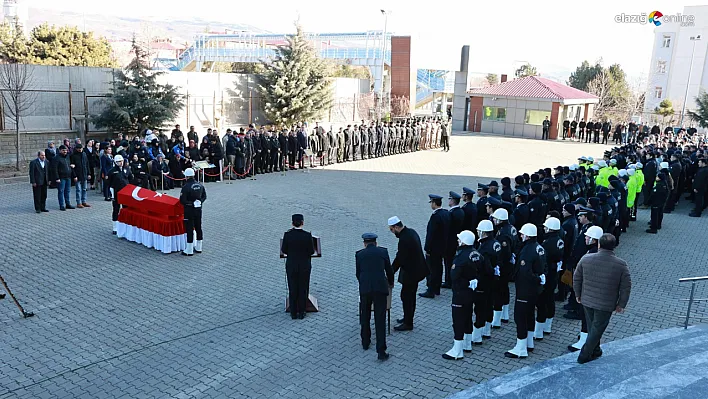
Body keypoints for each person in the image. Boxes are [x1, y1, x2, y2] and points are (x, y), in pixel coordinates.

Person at [573, 233, 631, 364]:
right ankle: (584, 354)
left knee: (593, 327)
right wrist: (621, 304)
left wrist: (577, 294)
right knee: (597, 329)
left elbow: (577, 278)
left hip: (587, 300)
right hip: (606, 304)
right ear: (614, 246)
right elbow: (626, 286)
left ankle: (596, 350)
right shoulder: (621, 264)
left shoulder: (586, 259)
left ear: (599, 244)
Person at [505, 223, 545, 359]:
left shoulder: (527, 250)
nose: (521, 235)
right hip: (534, 290)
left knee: (520, 317)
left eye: (523, 234)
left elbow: (525, 271)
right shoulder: (539, 247)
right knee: (529, 315)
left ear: (527, 235)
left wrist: (536, 279)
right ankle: (529, 342)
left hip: (525, 288)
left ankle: (521, 347)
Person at [442, 230, 484, 360]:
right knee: (467, 316)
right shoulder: (477, 253)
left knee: (458, 320)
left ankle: (457, 349)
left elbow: (454, 275)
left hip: (460, 292)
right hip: (471, 292)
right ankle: (467, 343)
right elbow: (484, 270)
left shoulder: (461, 256)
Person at [356, 233, 394, 361]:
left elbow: (358, 273)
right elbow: (389, 270)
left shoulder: (359, 254)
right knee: (380, 318)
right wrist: (390, 282)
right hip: (380, 288)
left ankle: (365, 342)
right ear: (376, 243)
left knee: (365, 315)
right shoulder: (383, 252)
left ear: (364, 243)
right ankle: (381, 350)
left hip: (365, 289)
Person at [388, 216, 427, 331]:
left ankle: (408, 323)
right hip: (416, 271)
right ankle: (407, 317)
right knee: (410, 296)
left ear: (396, 227)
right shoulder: (411, 232)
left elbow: (400, 258)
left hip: (411, 273)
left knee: (407, 297)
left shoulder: (404, 239)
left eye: (391, 230)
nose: (392, 232)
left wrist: (390, 271)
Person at [281, 214, 315, 319]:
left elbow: (284, 250)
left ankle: (293, 312)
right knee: (303, 288)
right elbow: (311, 251)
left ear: (292, 223)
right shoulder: (307, 235)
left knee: (292, 287)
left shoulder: (287, 235)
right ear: (302, 223)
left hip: (291, 265)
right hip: (304, 265)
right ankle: (302, 311)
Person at [536, 217, 564, 339]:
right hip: (554, 274)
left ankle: (539, 330)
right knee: (550, 299)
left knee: (542, 301)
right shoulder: (559, 240)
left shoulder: (547, 243)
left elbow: (543, 261)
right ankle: (548, 326)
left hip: (548, 275)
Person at [420, 194, 450, 298]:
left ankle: (431, 290)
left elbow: (431, 234)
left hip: (433, 248)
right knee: (438, 268)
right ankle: (437, 288)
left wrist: (427, 247)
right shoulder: (446, 213)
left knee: (431, 269)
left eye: (431, 203)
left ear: (434, 203)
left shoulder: (435, 216)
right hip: (442, 247)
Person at [180, 168, 206, 255]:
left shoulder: (185, 187)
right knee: (198, 227)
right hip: (198, 210)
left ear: (186, 177)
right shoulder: (200, 185)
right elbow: (204, 196)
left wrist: (191, 203)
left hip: (189, 211)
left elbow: (182, 200)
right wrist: (199, 202)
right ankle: (199, 247)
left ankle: (189, 249)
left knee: (189, 229)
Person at [106, 155, 132, 234]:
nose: (120, 163)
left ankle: (126, 225)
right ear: (115, 162)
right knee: (116, 210)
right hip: (116, 193)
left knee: (126, 209)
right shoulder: (112, 171)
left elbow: (130, 179)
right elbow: (108, 184)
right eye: (118, 162)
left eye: (121, 161)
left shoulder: (126, 169)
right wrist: (112, 195)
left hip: (125, 193)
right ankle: (115, 227)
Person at [50, 145, 74, 211]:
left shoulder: (68, 157)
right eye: (63, 150)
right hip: (61, 178)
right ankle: (61, 205)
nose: (65, 151)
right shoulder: (56, 158)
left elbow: (69, 165)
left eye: (66, 150)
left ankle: (68, 203)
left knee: (67, 191)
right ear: (60, 150)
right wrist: (57, 178)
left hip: (68, 177)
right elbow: (54, 169)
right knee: (61, 191)